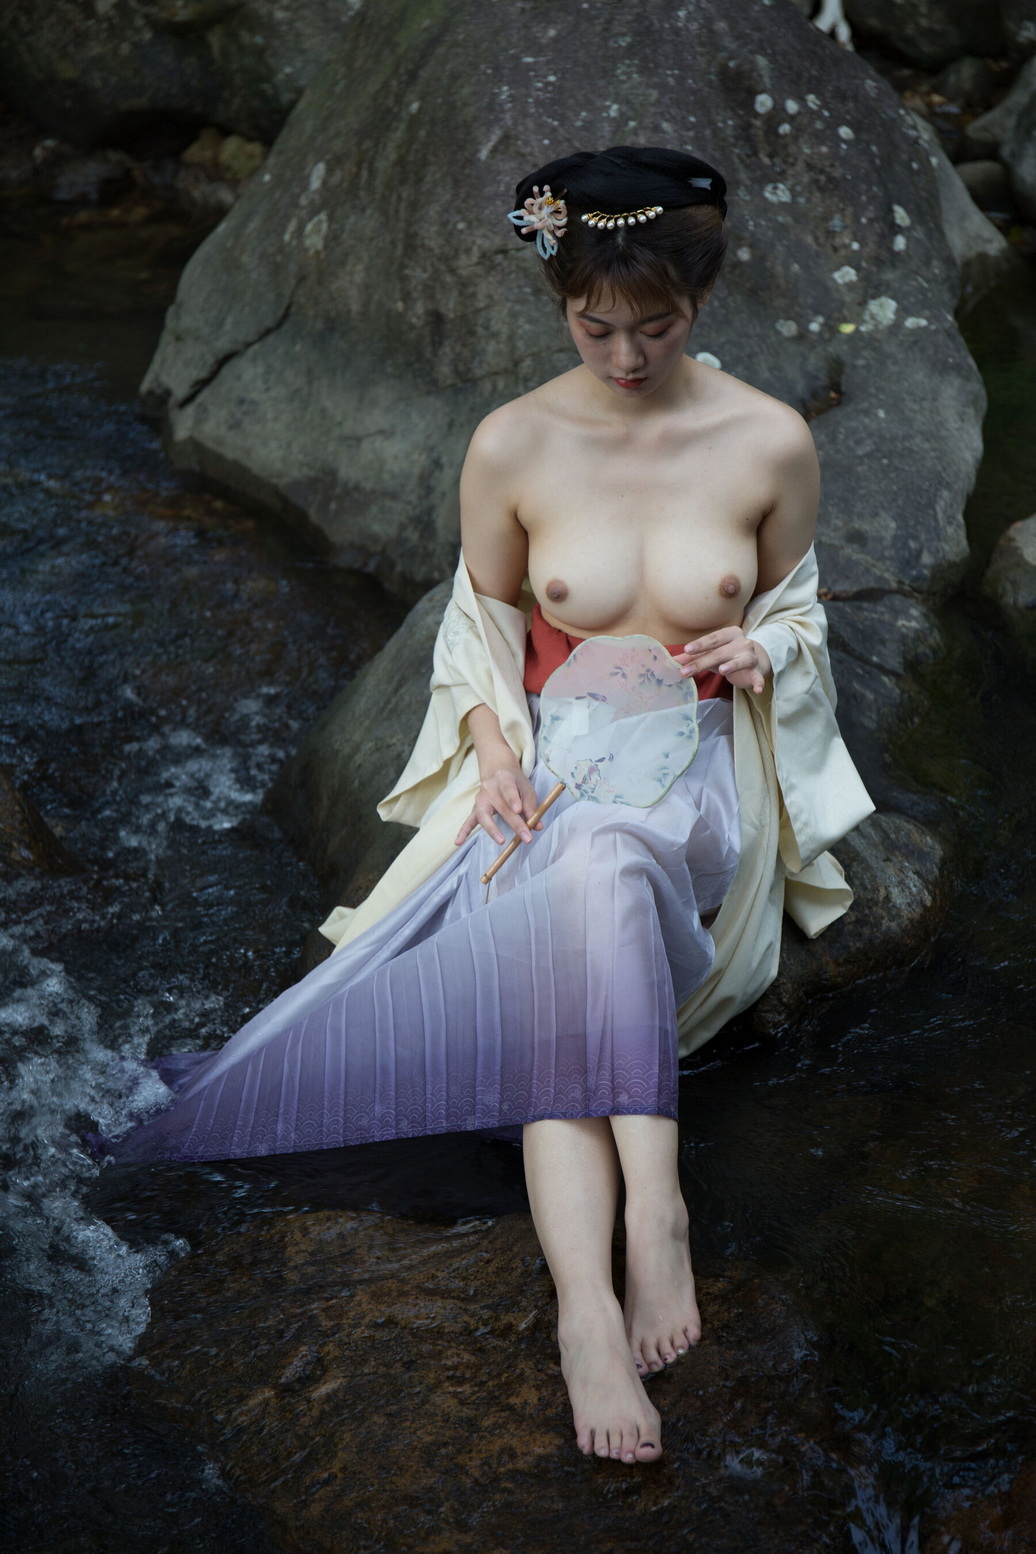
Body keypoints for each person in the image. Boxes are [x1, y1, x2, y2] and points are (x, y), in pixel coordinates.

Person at [96, 146, 874, 1467]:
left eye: (655, 326)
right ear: (562, 303)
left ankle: (649, 1230)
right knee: (584, 880)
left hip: (692, 767)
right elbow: (483, 622)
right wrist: (493, 747)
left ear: (701, 300)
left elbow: (799, 611)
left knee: (603, 864)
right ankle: (596, 1294)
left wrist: (765, 649)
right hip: (557, 767)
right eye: (594, 325)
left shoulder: (767, 442)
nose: (623, 355)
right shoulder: (514, 442)